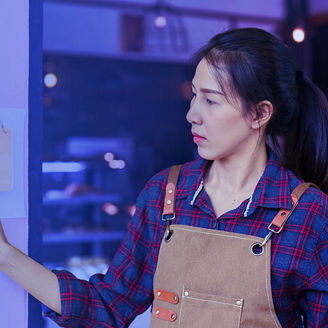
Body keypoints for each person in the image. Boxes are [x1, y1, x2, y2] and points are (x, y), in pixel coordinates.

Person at [0, 27, 328, 328]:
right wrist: (6, 255)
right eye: (194, 96)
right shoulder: (165, 194)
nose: (192, 115)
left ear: (260, 113)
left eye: (211, 101)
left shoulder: (309, 214)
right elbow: (107, 306)